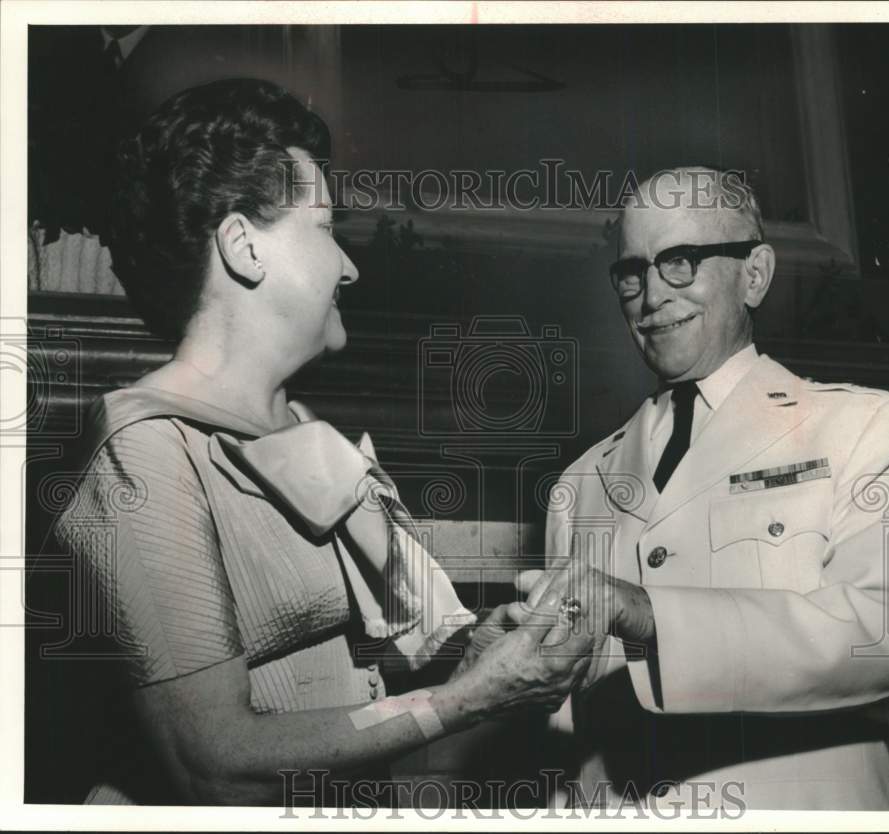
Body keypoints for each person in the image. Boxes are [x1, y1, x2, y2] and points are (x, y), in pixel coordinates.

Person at [53, 78, 593, 806]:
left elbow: (346, 686)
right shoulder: (141, 450)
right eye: (325, 227)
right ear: (243, 246)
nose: (349, 264)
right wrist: (466, 701)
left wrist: (475, 663)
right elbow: (212, 767)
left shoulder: (302, 427)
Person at [515, 168, 889, 811]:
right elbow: (570, 727)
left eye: (680, 261)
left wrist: (654, 615)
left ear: (755, 275)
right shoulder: (579, 484)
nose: (651, 296)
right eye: (632, 272)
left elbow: (881, 634)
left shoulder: (864, 425)